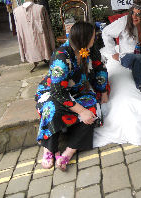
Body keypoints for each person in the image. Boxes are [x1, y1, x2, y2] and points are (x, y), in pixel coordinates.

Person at [35, 21, 109, 171]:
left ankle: (69, 152)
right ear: (84, 39)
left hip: (79, 90)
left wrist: (103, 90)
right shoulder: (61, 56)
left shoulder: (90, 48)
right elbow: (58, 92)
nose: (95, 39)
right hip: (53, 92)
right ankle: (49, 149)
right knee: (52, 109)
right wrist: (81, 110)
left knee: (93, 112)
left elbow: (99, 68)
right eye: (93, 37)